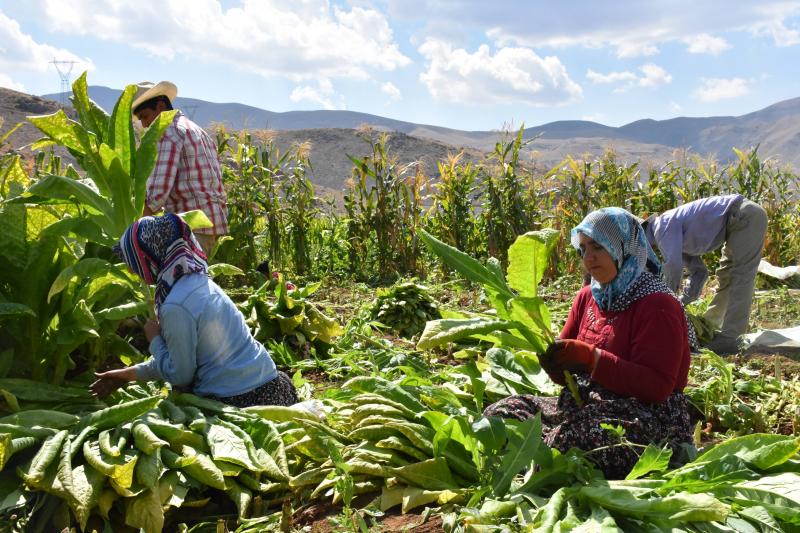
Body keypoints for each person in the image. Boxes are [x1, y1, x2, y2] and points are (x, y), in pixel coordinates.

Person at [484, 208, 694, 479]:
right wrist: (553, 362)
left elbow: (657, 387)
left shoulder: (657, 304)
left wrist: (592, 358)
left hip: (645, 416)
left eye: (598, 246)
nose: (589, 257)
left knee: (566, 444)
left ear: (623, 247)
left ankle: (534, 460)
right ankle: (533, 458)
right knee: (501, 415)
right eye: (583, 248)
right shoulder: (588, 297)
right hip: (585, 404)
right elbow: (567, 365)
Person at [90, 214, 297, 408]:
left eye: (133, 261)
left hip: (237, 399)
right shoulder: (198, 280)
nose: (130, 270)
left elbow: (181, 375)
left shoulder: (175, 306)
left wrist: (154, 340)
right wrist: (128, 374)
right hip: (272, 384)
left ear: (150, 257)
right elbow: (179, 359)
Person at [641, 195, 767, 355]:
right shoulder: (673, 239)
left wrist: (668, 304)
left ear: (642, 233)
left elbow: (673, 266)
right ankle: (711, 324)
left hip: (744, 215)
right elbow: (700, 273)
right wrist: (682, 301)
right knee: (726, 275)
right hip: (734, 223)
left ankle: (731, 337)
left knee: (741, 276)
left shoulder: (662, 226)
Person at [131, 81, 228, 256]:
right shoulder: (197, 130)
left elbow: (156, 195)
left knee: (180, 282)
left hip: (189, 229)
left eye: (145, 116)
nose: (144, 125)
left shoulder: (168, 131)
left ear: (160, 106)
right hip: (209, 224)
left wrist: (132, 235)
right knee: (195, 281)